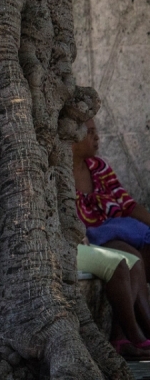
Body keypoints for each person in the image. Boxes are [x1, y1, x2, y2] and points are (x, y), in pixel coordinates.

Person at [73, 117, 150, 356]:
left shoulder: (99, 167)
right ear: (71, 137)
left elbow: (128, 205)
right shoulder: (61, 173)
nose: (97, 138)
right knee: (129, 258)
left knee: (142, 256)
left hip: (117, 232)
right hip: (93, 238)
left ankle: (121, 335)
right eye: (91, 132)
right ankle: (141, 333)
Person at [77, 241, 150, 358]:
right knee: (118, 265)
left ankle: (120, 339)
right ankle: (136, 338)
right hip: (54, 247)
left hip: (69, 241)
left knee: (133, 261)